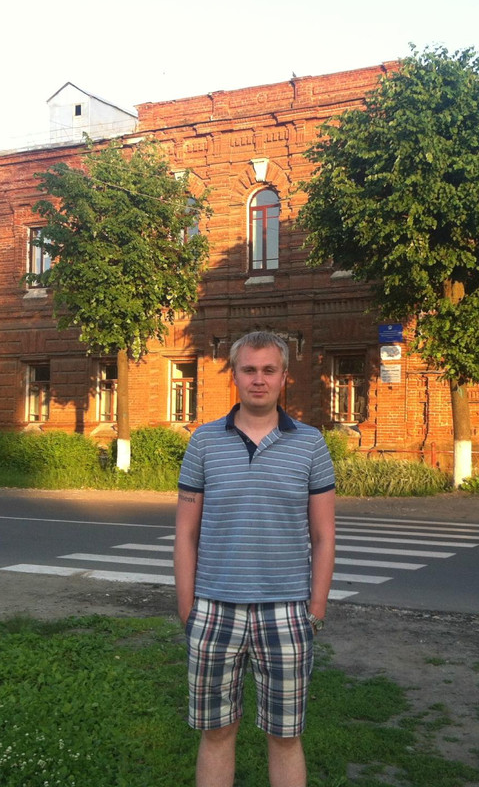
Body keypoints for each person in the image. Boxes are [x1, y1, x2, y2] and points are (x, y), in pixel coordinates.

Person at [174, 330, 336, 787]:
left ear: (284, 376)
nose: (258, 380)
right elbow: (186, 533)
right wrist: (188, 607)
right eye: (249, 370)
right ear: (235, 376)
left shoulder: (310, 444)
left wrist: (316, 609)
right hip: (214, 609)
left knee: (285, 737)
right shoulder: (204, 442)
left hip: (286, 612)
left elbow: (324, 536)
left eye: (268, 370)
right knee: (217, 732)